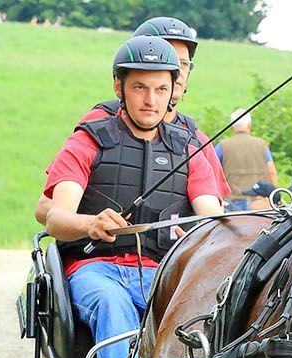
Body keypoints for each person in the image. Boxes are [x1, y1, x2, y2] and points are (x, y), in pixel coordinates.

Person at [40, 36, 222, 358]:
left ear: (173, 91)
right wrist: (90, 223)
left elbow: (213, 219)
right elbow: (55, 218)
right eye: (139, 87)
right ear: (119, 86)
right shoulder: (88, 140)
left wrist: (205, 235)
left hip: (160, 274)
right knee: (113, 303)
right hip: (94, 271)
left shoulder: (189, 148)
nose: (150, 100)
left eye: (160, 89)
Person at [35, 15, 226, 227]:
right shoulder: (98, 126)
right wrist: (92, 223)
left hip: (171, 255)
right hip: (101, 248)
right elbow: (46, 208)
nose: (178, 72)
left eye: (182, 63)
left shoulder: (196, 141)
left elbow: (217, 218)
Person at [216, 109, 276, 211]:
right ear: (249, 125)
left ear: (232, 127)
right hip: (258, 200)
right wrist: (273, 196)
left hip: (232, 201)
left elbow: (214, 173)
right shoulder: (262, 144)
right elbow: (272, 172)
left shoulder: (222, 146)